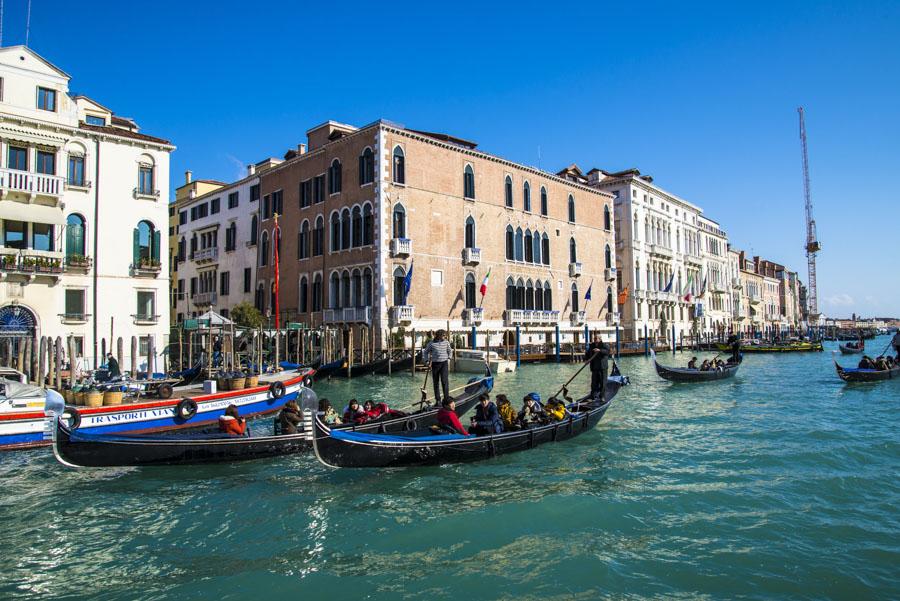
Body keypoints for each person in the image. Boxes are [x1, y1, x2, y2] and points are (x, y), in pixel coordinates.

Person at [423, 329, 452, 404]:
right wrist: (426, 361)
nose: (444, 337)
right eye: (443, 335)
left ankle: (446, 399)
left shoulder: (446, 342)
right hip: (435, 364)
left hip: (444, 364)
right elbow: (425, 352)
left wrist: (449, 358)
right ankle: (438, 400)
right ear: (438, 335)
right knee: (436, 382)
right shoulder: (431, 343)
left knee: (444, 381)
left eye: (445, 335)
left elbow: (450, 351)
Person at [584, 333, 610, 399]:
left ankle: (602, 396)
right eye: (594, 338)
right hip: (594, 367)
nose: (595, 339)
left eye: (596, 338)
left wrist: (600, 350)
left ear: (600, 339)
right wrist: (586, 360)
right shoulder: (592, 346)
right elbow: (588, 354)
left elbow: (607, 352)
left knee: (602, 383)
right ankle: (593, 396)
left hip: (602, 367)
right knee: (594, 383)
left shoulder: (604, 345)